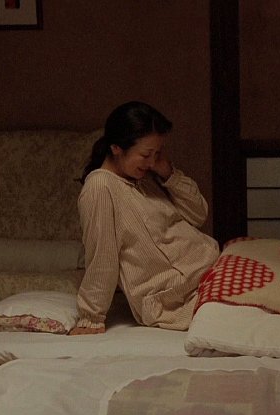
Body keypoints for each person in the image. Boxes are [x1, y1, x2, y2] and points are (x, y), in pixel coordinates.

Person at [70, 101, 220, 335]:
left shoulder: (145, 175)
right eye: (146, 154)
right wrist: (91, 317)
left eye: (157, 153)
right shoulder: (101, 187)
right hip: (180, 294)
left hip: (210, 265)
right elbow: (102, 256)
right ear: (116, 148)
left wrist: (167, 172)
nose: (151, 162)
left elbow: (198, 213)